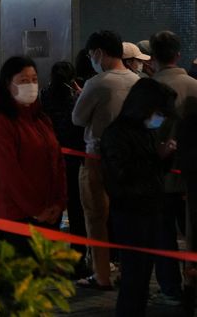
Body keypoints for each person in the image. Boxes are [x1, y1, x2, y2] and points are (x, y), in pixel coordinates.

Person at [101, 78, 178, 317]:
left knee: (143, 277)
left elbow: (153, 171)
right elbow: (121, 175)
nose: (160, 118)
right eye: (159, 112)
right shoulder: (117, 133)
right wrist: (157, 157)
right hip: (130, 213)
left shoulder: (144, 132)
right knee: (134, 278)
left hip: (150, 209)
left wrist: (164, 157)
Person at [72, 30, 138, 290]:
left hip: (97, 158)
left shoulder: (97, 83)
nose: (91, 59)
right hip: (130, 159)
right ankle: (128, 271)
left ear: (99, 52)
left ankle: (101, 275)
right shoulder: (136, 80)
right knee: (127, 217)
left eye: (91, 55)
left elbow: (77, 119)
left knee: (96, 217)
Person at [0, 56, 67, 252]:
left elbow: (57, 161)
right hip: (18, 218)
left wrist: (59, 203)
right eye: (23, 81)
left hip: (49, 215)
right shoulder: (0, 123)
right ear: (7, 85)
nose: (31, 85)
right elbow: (8, 174)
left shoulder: (41, 119)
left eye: (34, 80)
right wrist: (37, 209)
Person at [149, 30, 197, 306]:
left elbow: (146, 132)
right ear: (178, 55)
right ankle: (192, 283)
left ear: (153, 58)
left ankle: (170, 288)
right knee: (192, 232)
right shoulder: (194, 86)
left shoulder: (150, 89)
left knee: (163, 234)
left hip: (162, 176)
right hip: (192, 176)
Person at [40, 61, 88, 276]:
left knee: (52, 210)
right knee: (77, 213)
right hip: (74, 160)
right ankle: (77, 262)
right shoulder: (76, 97)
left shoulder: (44, 95)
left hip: (50, 161)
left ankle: (48, 260)